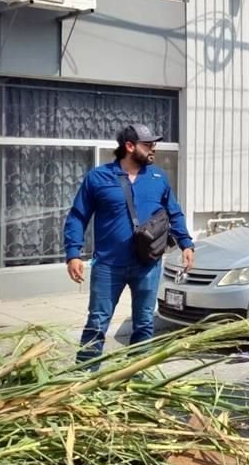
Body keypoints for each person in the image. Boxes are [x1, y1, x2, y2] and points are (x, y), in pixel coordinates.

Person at [64, 124, 194, 364]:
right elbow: (78, 216)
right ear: (130, 146)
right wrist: (73, 253)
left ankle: (137, 375)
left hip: (148, 264)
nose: (154, 148)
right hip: (108, 266)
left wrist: (186, 243)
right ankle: (83, 377)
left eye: (154, 144)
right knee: (97, 322)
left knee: (144, 322)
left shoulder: (158, 178)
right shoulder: (99, 177)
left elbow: (174, 213)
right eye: (148, 144)